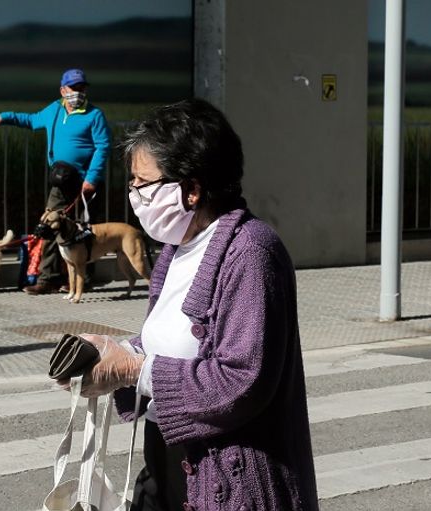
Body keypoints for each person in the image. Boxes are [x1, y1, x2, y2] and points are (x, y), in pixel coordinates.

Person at [66, 98, 319, 510]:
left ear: (192, 189)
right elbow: (174, 344)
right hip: (167, 466)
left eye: (141, 183)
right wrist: (109, 357)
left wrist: (133, 369)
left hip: (229, 482)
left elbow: (242, 380)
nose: (133, 195)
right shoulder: (176, 247)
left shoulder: (251, 252)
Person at [0, 68, 111, 294]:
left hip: (85, 183)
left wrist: (92, 178)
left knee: (83, 230)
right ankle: (48, 278)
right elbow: (32, 120)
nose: (79, 92)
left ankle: (84, 278)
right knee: (50, 226)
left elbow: (103, 147)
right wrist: (4, 117)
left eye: (82, 88)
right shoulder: (54, 109)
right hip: (61, 181)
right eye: (74, 88)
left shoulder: (95, 115)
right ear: (63, 90)